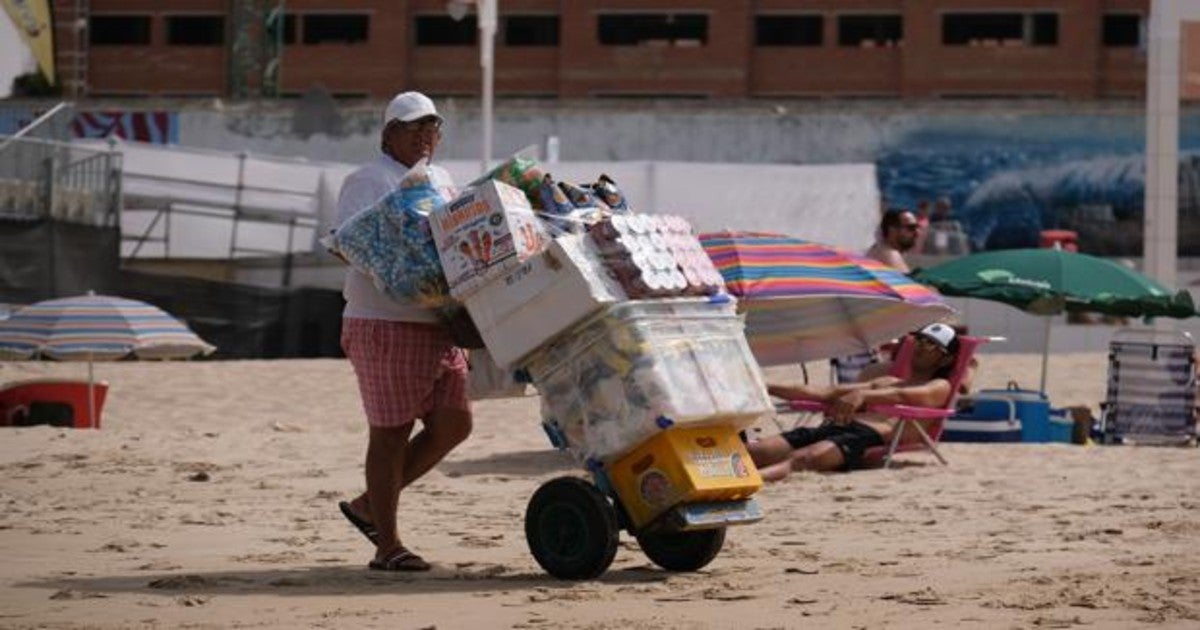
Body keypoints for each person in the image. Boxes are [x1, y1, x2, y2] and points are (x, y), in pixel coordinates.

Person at [335, 91, 472, 572]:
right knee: (390, 432)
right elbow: (347, 244)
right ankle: (387, 546)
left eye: (431, 128)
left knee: (455, 423)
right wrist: (402, 260)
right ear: (388, 132)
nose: (424, 136)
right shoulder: (367, 179)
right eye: (413, 127)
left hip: (437, 321)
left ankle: (369, 506)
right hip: (383, 320)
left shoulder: (442, 179)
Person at [748, 323, 962, 481]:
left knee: (802, 459)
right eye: (920, 340)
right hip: (840, 427)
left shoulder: (940, 386)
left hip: (870, 436)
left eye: (932, 345)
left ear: (946, 359)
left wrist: (864, 396)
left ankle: (748, 483)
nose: (922, 347)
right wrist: (766, 387)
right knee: (758, 450)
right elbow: (828, 392)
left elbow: (905, 397)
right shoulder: (888, 381)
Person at [865, 208, 920, 272]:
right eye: (911, 228)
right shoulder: (890, 254)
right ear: (892, 230)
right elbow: (906, 281)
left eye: (917, 227)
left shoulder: (878, 249)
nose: (917, 233)